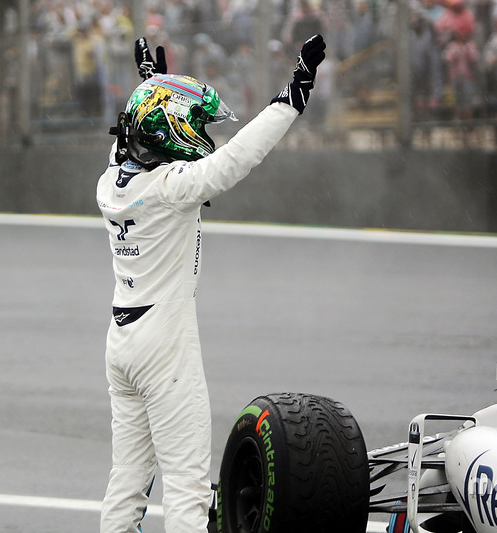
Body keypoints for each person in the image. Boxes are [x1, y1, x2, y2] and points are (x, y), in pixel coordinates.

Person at [96, 34, 326, 533]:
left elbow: (137, 133)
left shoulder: (110, 181)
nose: (204, 133)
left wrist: (151, 86)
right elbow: (236, 158)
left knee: (127, 481)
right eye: (197, 124)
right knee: (188, 488)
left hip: (121, 344)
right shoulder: (172, 188)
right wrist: (293, 96)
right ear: (173, 131)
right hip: (164, 347)